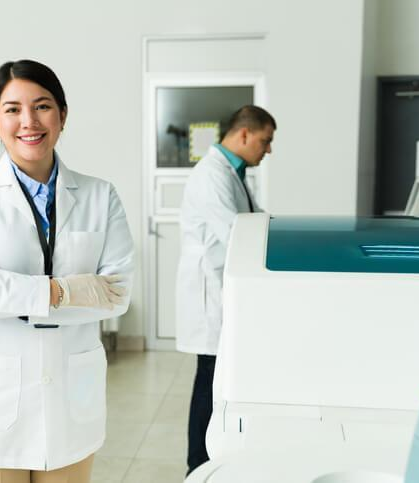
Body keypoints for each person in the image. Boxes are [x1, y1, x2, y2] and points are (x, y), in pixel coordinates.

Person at [0, 59, 134, 483]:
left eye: (42, 106)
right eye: (12, 109)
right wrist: (63, 291)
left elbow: (117, 294)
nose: (29, 121)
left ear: (63, 115)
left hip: (69, 402)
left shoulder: (100, 195)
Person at [175, 105, 276, 475]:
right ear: (244, 135)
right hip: (209, 292)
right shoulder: (212, 174)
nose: (268, 150)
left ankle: (208, 463)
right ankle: (196, 467)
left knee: (216, 378)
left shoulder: (233, 172)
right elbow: (234, 234)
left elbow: (253, 219)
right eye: (265, 141)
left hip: (222, 288)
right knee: (208, 379)